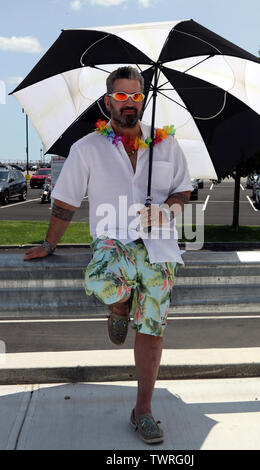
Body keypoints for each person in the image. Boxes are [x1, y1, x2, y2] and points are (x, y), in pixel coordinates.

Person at [24, 66, 193, 445]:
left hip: (159, 244)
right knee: (98, 279)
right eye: (121, 96)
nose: (129, 103)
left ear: (143, 100)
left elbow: (183, 192)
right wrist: (50, 244)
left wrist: (168, 210)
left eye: (135, 96)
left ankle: (143, 411)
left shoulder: (167, 144)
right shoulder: (87, 148)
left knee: (152, 327)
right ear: (107, 101)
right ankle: (119, 307)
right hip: (112, 240)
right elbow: (65, 201)